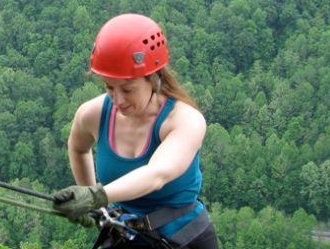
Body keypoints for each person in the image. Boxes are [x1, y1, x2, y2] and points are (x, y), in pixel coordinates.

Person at [52, 13, 218, 248]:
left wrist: (95, 196)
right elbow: (78, 148)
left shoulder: (184, 120)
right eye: (109, 87)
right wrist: (95, 204)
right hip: (125, 237)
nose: (118, 99)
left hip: (183, 240)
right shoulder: (93, 114)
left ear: (153, 79)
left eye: (128, 89)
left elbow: (157, 175)